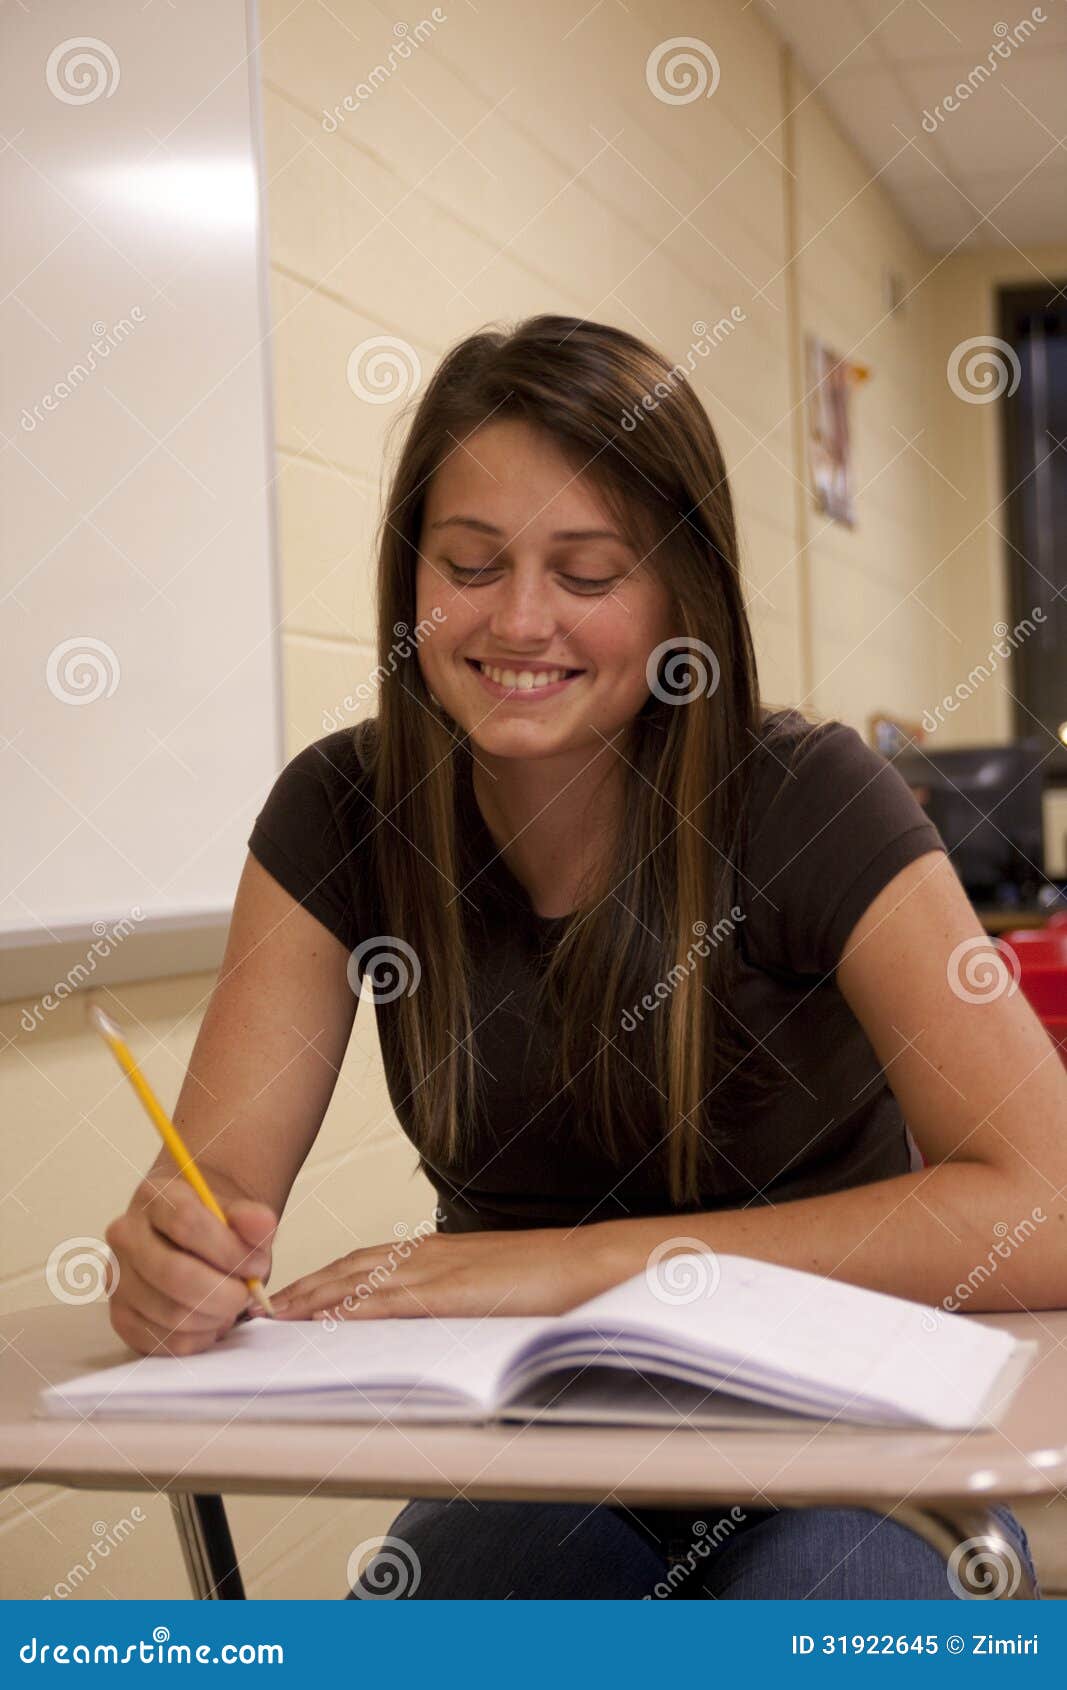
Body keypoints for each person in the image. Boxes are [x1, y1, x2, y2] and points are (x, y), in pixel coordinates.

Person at [104, 315, 1058, 1600]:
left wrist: (577, 1267)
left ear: (680, 593)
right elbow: (212, 1200)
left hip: (831, 1434)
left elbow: (1042, 1204)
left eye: (589, 573)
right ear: (411, 581)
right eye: (469, 563)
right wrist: (172, 1264)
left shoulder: (812, 800)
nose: (519, 618)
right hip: (529, 1442)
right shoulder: (339, 811)